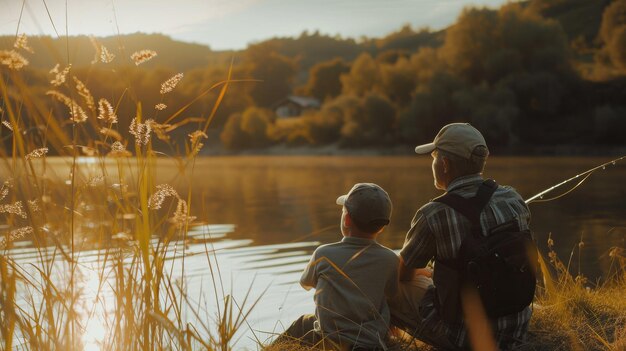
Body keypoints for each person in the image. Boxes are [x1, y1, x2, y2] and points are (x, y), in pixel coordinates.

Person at [390, 123, 532, 350]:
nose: (433, 163)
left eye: (434, 157)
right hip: (517, 328)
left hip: (465, 339)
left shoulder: (433, 214)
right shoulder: (514, 198)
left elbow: (403, 274)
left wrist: (425, 272)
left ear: (444, 164)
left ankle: (373, 339)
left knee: (391, 287)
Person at [274, 183, 399, 350]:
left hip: (329, 340)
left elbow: (305, 283)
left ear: (346, 219)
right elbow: (391, 293)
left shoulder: (323, 254)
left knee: (302, 323)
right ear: (382, 227)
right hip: (372, 341)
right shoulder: (390, 259)